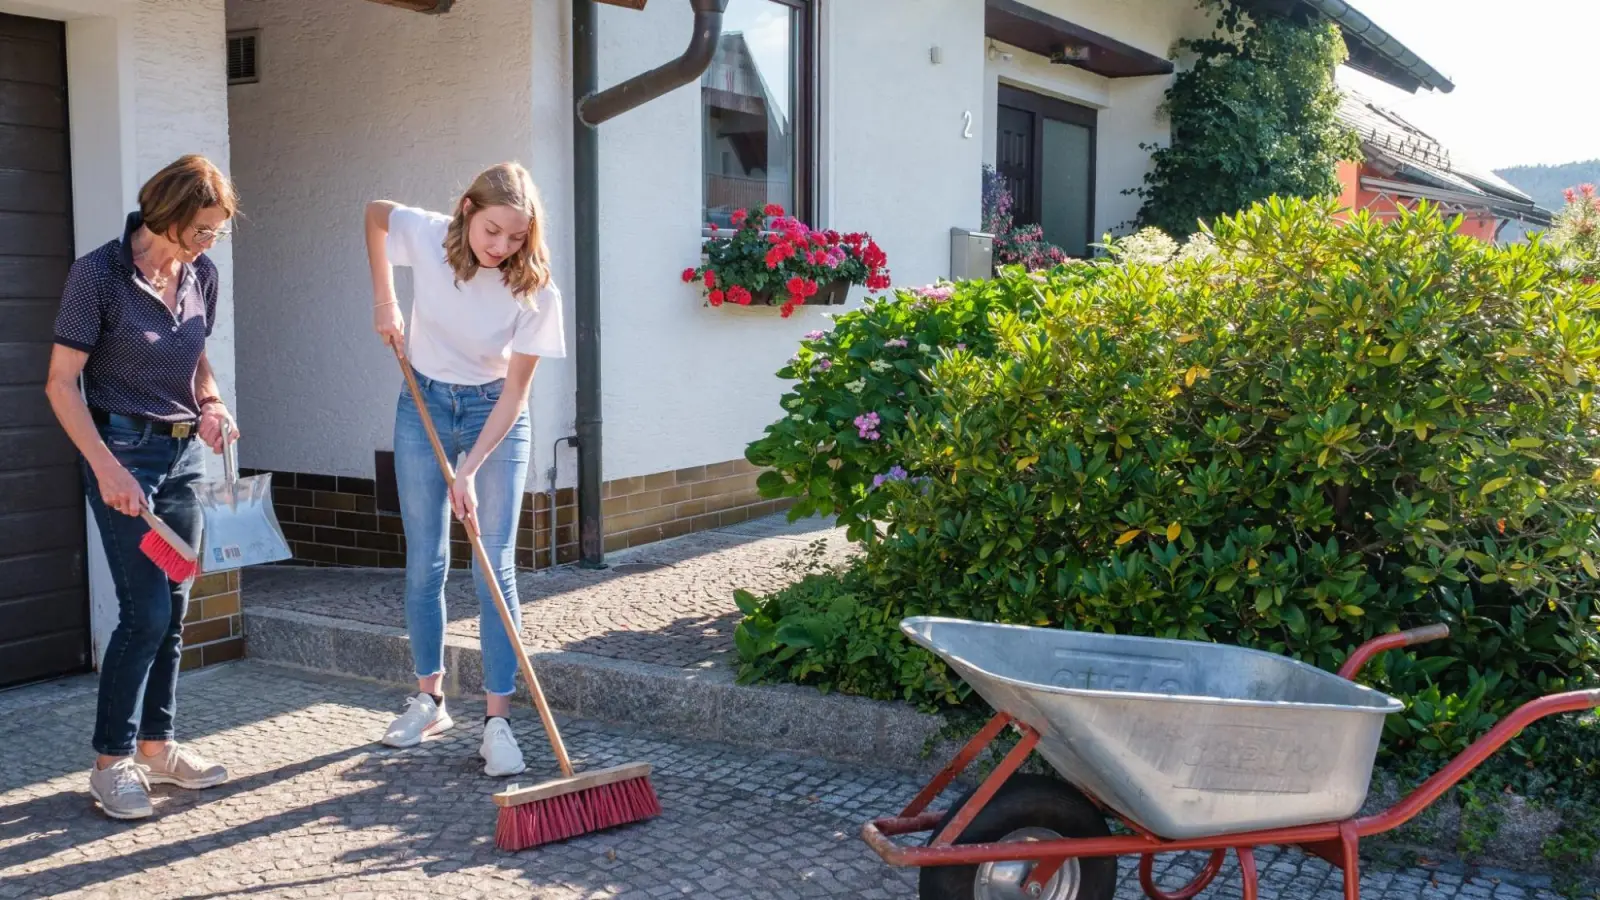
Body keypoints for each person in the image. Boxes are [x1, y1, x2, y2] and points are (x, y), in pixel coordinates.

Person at [45, 155, 240, 820]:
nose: (213, 241)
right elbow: (60, 383)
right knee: (146, 612)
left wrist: (212, 405)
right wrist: (106, 468)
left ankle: (159, 747)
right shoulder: (97, 276)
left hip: (182, 457)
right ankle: (110, 763)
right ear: (170, 217)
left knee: (175, 609)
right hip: (121, 457)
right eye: (205, 229)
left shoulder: (200, 276)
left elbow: (197, 358)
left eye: (218, 231)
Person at [364, 162, 566, 777]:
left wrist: (471, 469)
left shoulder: (536, 290)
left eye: (515, 238)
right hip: (420, 399)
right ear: (467, 209)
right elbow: (375, 213)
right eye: (492, 231)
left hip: (492, 411)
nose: (501, 247)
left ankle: (498, 722)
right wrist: (385, 299)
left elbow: (515, 394)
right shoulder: (429, 236)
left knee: (492, 563)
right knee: (424, 560)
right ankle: (428, 700)